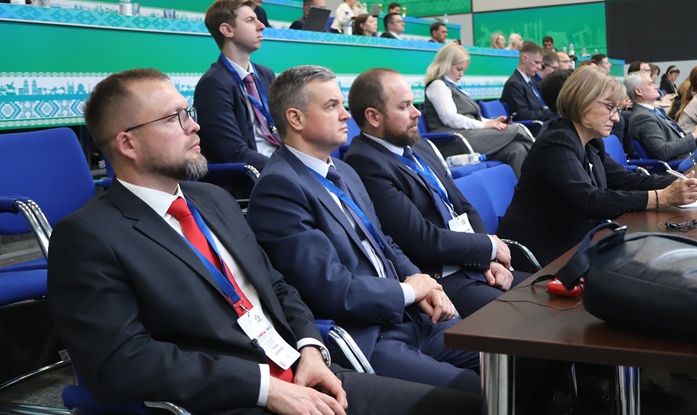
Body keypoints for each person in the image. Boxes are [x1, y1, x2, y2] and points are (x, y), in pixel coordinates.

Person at [47, 68, 479, 415]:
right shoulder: (89, 236)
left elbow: (277, 286)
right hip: (234, 397)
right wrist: (263, 387)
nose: (195, 125)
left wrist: (310, 347)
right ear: (128, 143)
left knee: (473, 404)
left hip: (302, 371)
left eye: (188, 112)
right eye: (174, 118)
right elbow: (121, 362)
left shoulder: (213, 199)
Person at [247, 65, 481, 394]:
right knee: (476, 390)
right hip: (370, 337)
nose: (346, 115)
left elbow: (384, 242)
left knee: (514, 359)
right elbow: (331, 287)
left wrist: (425, 285)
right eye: (332, 106)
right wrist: (408, 292)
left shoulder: (343, 171)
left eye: (342, 105)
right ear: (296, 119)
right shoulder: (279, 188)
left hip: (412, 318)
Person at [496, 66, 697, 266]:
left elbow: (626, 179)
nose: (617, 118)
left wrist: (690, 185)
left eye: (618, 109)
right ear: (583, 102)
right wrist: (662, 197)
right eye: (610, 108)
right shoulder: (557, 141)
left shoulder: (591, 142)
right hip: (540, 254)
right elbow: (589, 200)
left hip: (575, 245)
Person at [344, 68, 530, 317]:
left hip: (472, 263)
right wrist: (487, 247)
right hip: (442, 278)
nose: (416, 113)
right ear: (373, 117)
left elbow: (463, 206)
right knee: (524, 316)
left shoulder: (419, 145)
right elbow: (421, 238)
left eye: (413, 103)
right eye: (404, 106)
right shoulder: (365, 163)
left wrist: (488, 259)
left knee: (547, 295)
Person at [194, 0, 279, 173]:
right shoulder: (212, 85)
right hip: (252, 177)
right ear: (227, 30)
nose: (261, 25)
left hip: (279, 164)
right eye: (250, 20)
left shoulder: (266, 74)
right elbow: (234, 153)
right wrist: (286, 168)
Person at [423, 44, 533, 177]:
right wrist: (484, 125)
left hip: (467, 136)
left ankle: (524, 188)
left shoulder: (453, 87)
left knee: (517, 149)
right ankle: (544, 163)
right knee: (518, 129)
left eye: (463, 70)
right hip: (454, 141)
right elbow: (450, 118)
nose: (461, 74)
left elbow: (470, 117)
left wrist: (491, 121)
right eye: (458, 69)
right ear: (445, 65)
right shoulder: (437, 86)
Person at [625, 72, 697, 162]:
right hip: (679, 166)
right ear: (638, 91)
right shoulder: (642, 117)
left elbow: (676, 140)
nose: (656, 87)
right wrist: (694, 135)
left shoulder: (652, 112)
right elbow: (663, 152)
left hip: (687, 158)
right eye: (651, 84)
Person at [501, 41, 552, 122]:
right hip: (535, 127)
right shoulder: (514, 84)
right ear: (525, 59)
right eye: (536, 62)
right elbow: (523, 115)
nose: (539, 67)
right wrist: (548, 112)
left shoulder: (534, 81)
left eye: (540, 63)